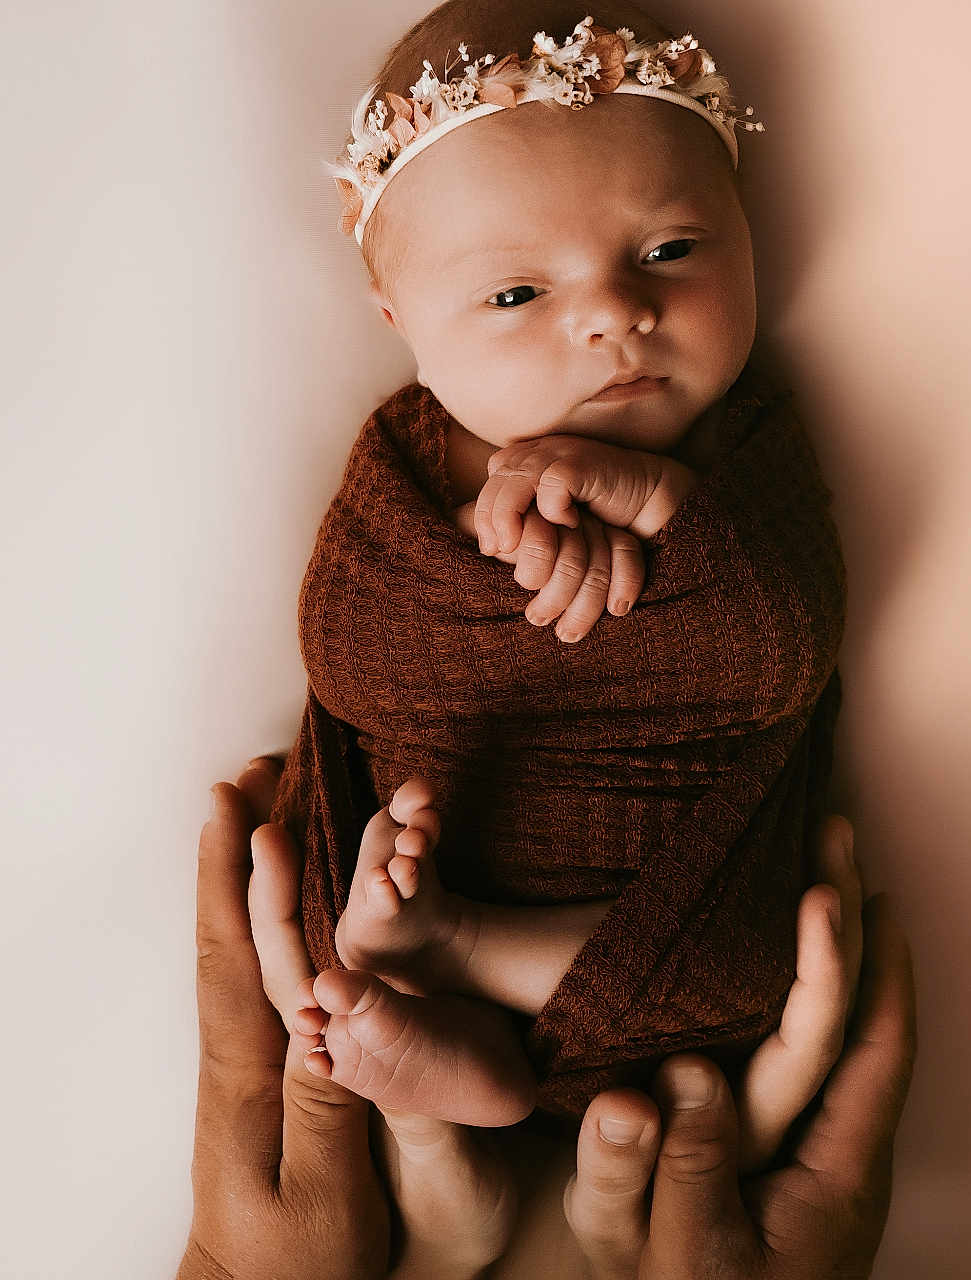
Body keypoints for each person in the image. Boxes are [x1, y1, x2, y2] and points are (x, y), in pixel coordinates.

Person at [267, 0, 851, 1141]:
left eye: (668, 251)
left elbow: (790, 649)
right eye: (516, 294)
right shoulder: (403, 467)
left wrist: (667, 512)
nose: (615, 315)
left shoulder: (744, 451)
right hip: (432, 839)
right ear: (401, 323)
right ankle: (449, 1047)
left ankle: (464, 962)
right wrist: (477, 572)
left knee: (765, 955)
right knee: (318, 908)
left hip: (673, 911)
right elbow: (342, 661)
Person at [177, 755, 917, 1278]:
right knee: (734, 984)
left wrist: (228, 1273)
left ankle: (443, 1136)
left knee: (332, 959)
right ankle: (442, 1129)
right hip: (631, 1151)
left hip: (445, 1207)